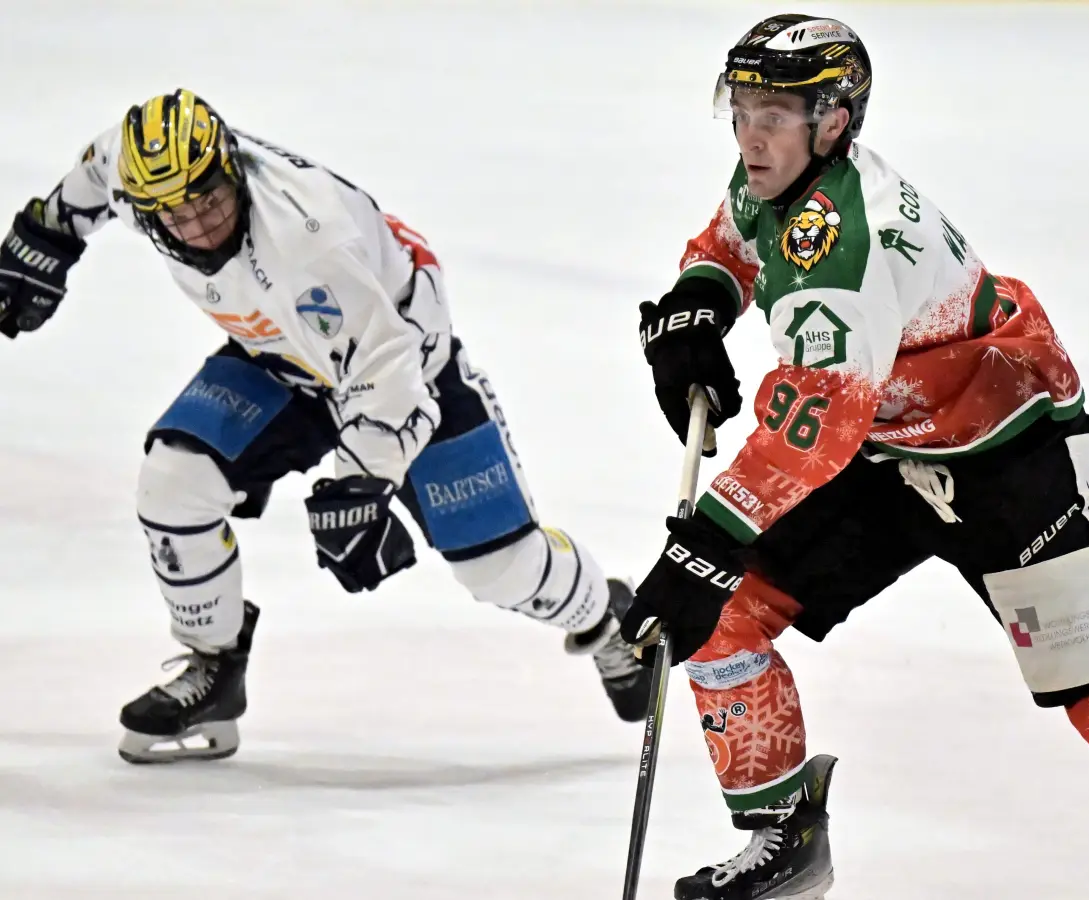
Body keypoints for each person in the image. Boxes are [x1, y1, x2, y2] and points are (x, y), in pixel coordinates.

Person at [624, 14, 1089, 900]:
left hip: (1010, 457)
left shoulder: (844, 244)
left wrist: (703, 539)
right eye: (743, 107)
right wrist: (698, 305)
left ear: (834, 121)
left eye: (776, 112)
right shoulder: (774, 177)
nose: (752, 132)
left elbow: (815, 427)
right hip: (887, 451)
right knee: (724, 617)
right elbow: (732, 244)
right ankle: (786, 840)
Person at [0, 89, 650, 764]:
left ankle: (608, 620)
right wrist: (45, 235)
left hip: (409, 375)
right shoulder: (152, 175)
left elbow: (392, 376)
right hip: (282, 361)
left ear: (232, 168)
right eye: (177, 215)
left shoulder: (310, 241)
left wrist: (358, 488)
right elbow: (101, 165)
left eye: (210, 202)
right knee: (174, 481)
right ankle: (214, 666)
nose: (199, 227)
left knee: (500, 570)